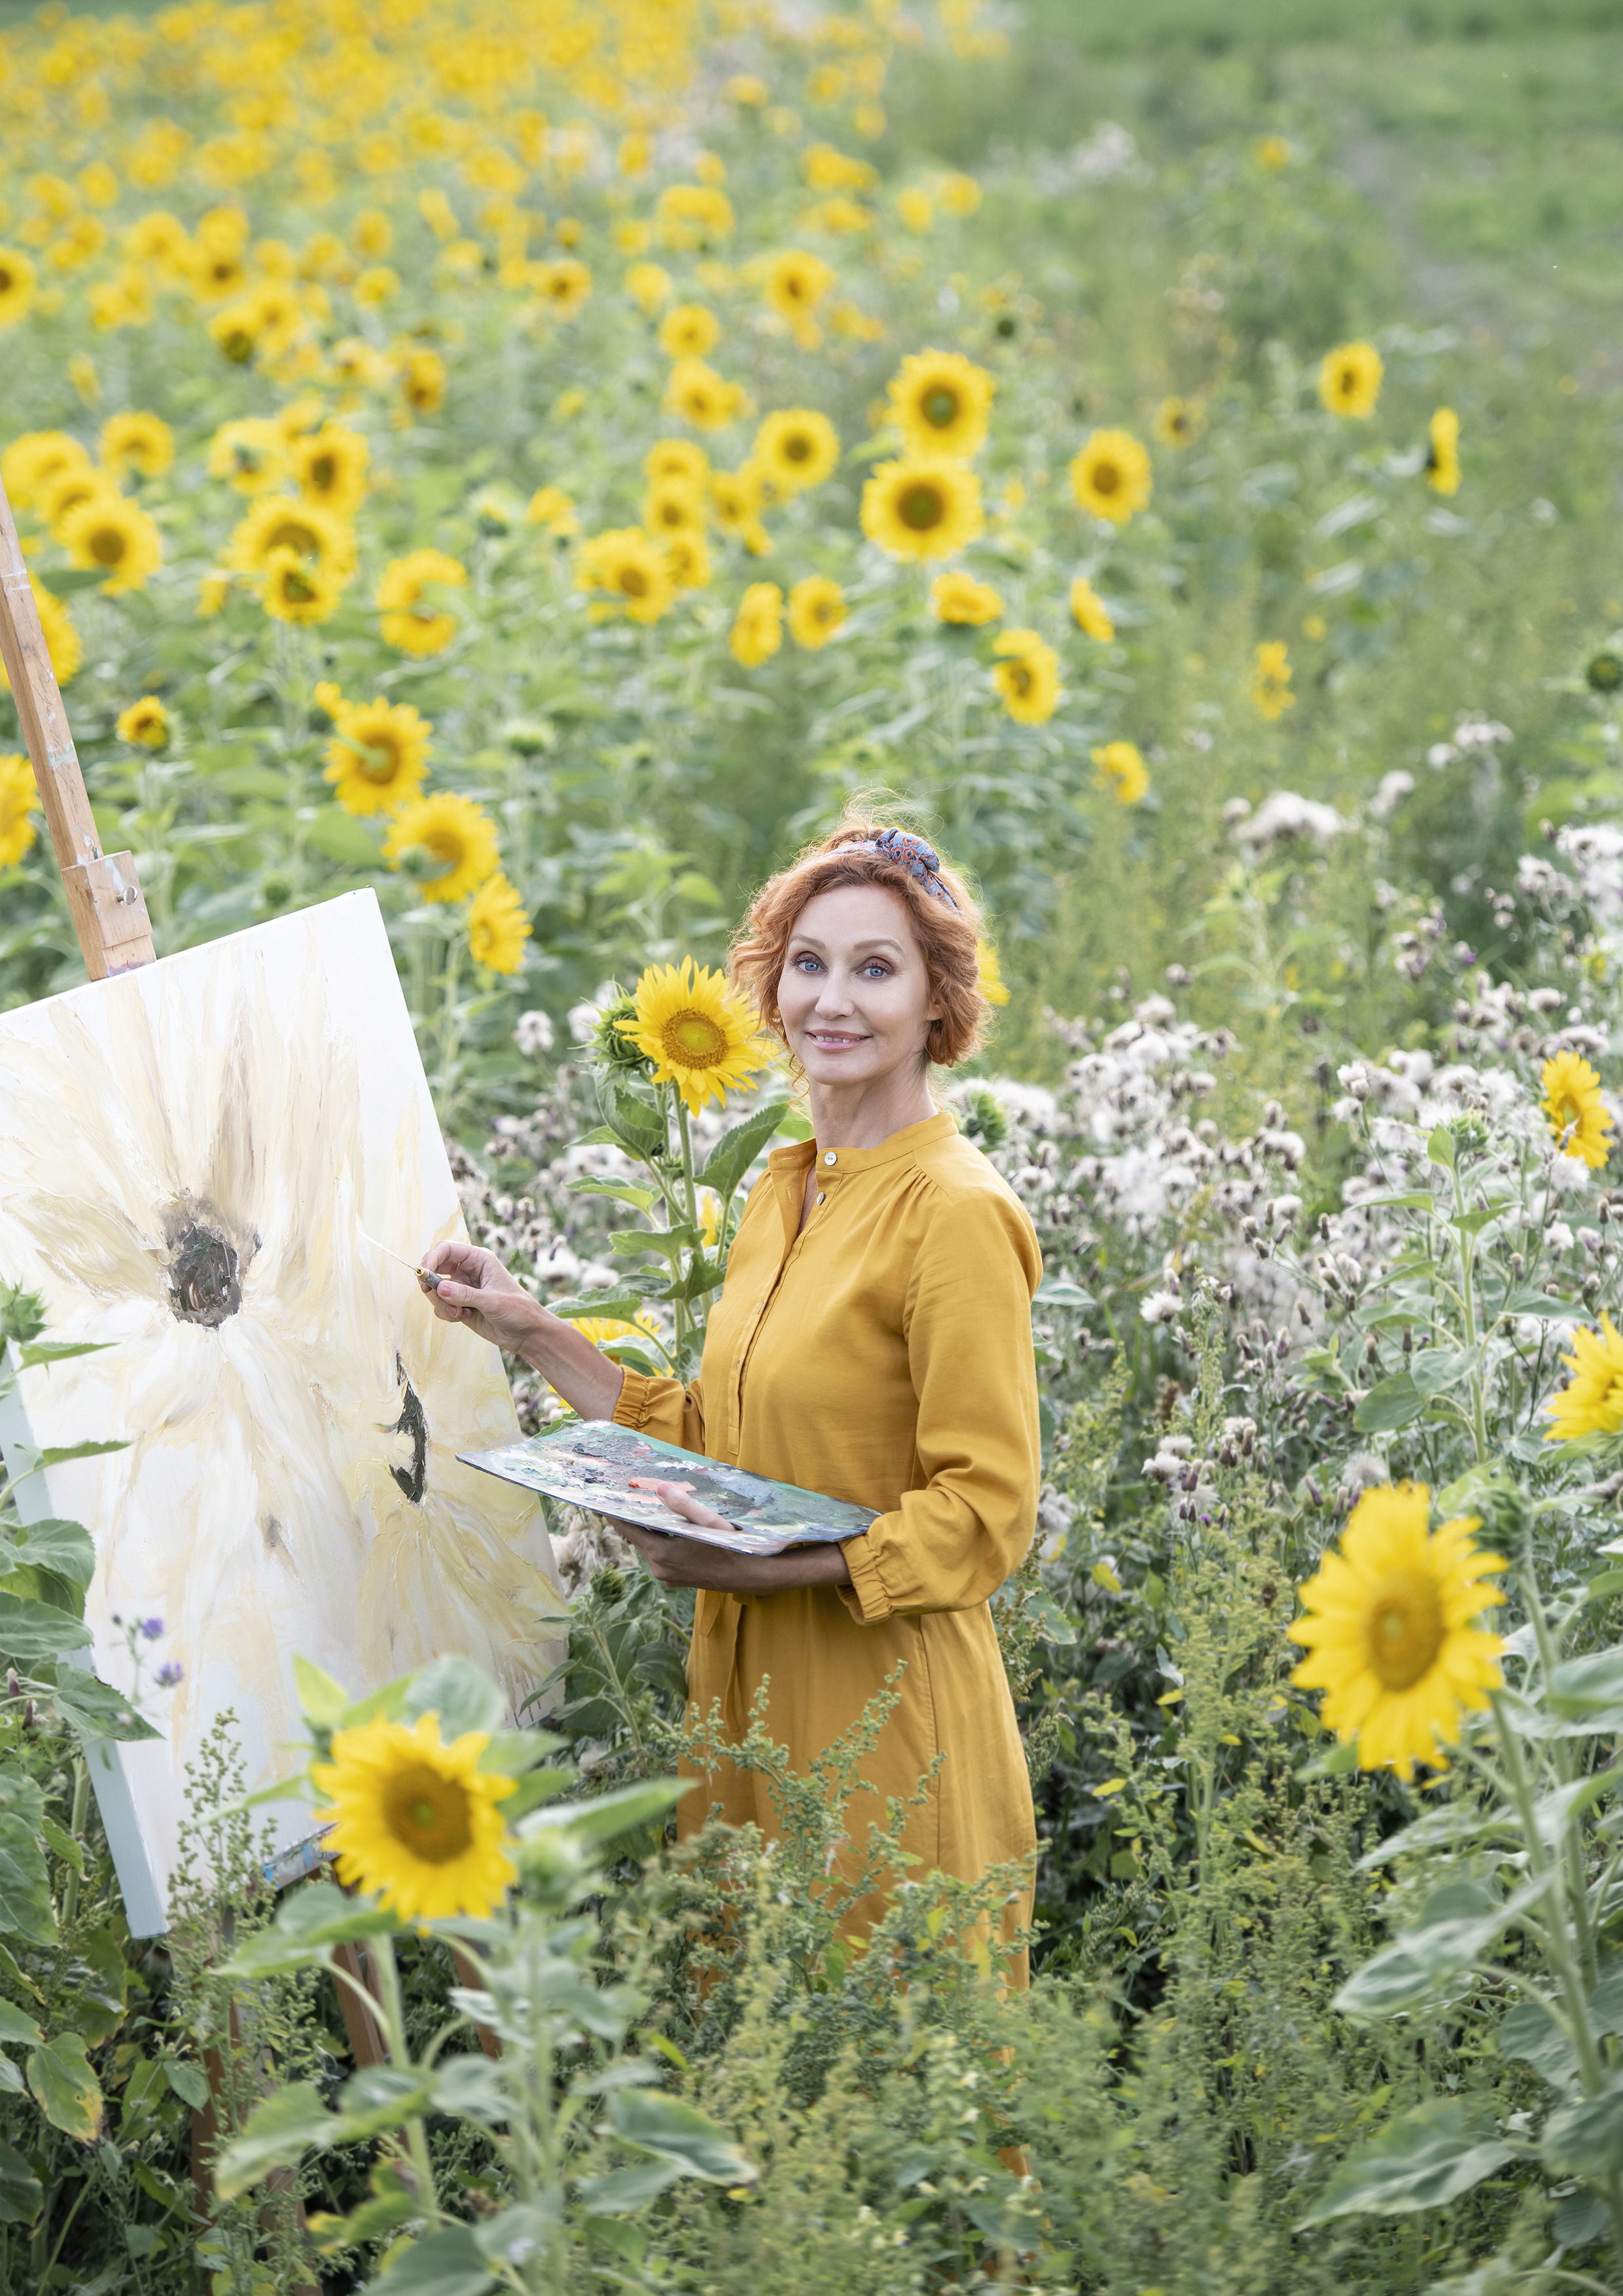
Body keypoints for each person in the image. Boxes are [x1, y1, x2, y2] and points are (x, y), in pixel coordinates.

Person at [423, 822, 1043, 1977]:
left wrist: (763, 1568)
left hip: (886, 1714)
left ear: (937, 1000)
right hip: (747, 1700)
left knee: (892, 2083)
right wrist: (531, 1328)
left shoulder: (953, 1211)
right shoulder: (787, 1188)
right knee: (759, 2060)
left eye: (876, 967)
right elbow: (723, 1442)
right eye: (808, 962)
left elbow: (987, 1514)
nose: (833, 1001)